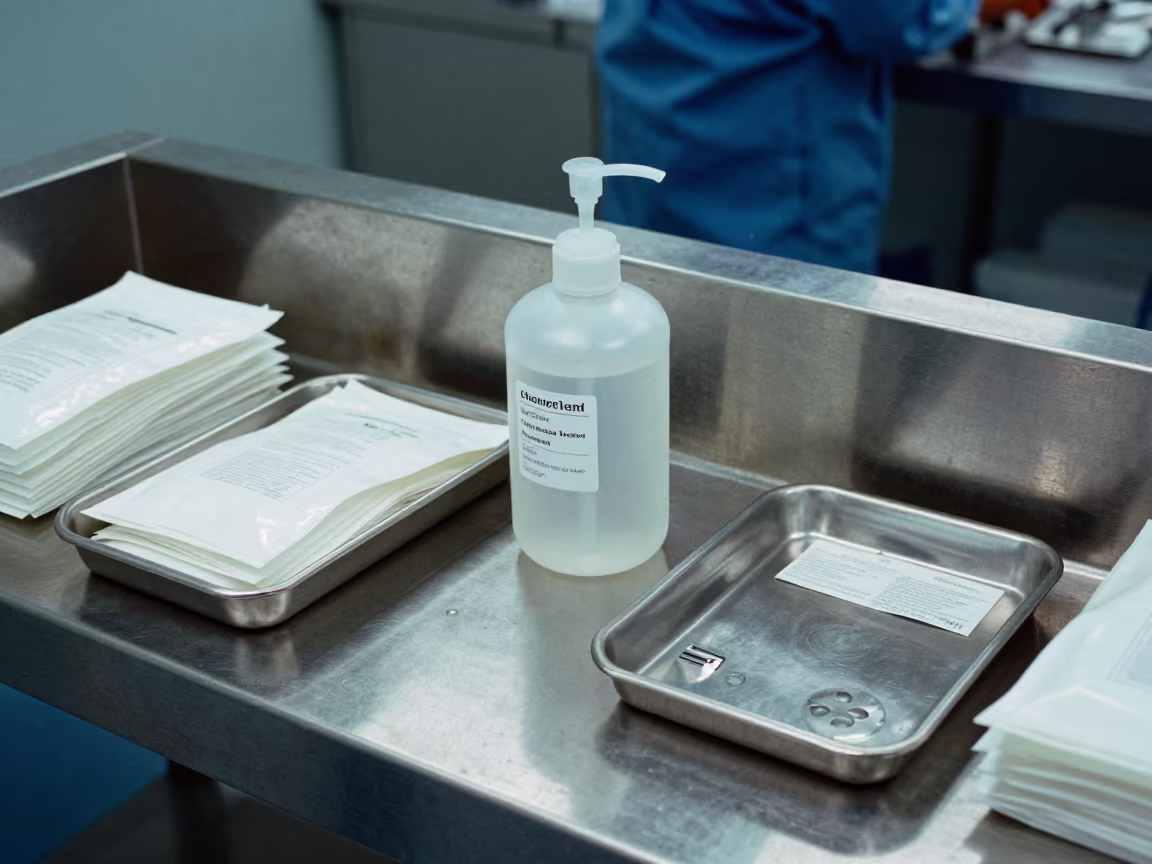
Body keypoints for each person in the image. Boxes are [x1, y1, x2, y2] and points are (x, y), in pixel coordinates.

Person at [597, 1, 982, 274]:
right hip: (771, 208)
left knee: (664, 340)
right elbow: (895, 22)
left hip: (653, 169)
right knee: (786, 359)